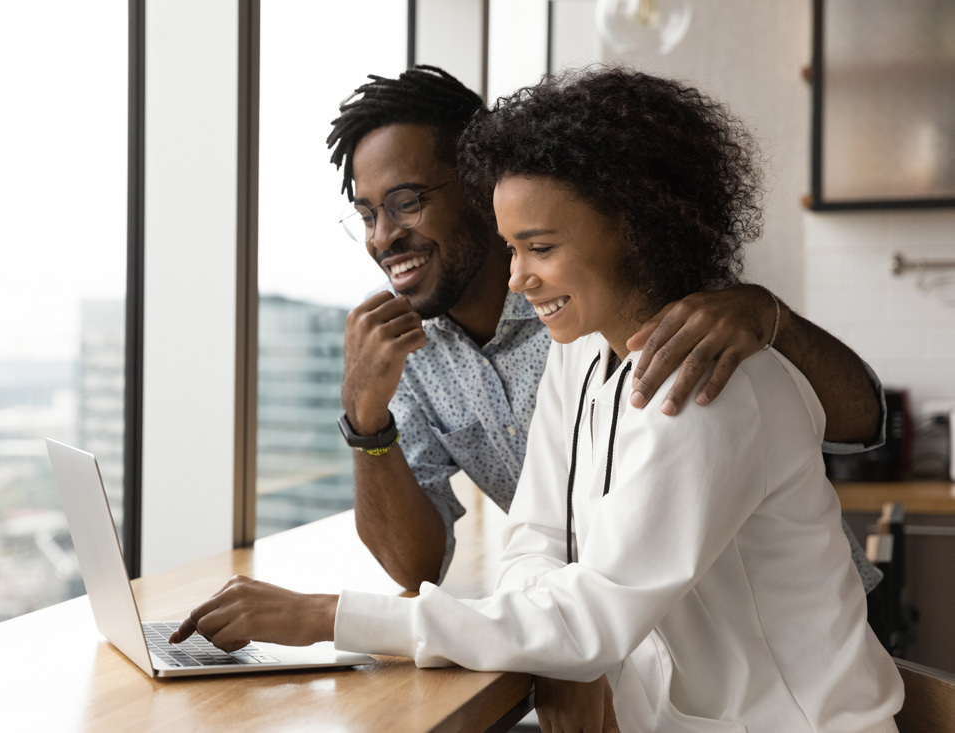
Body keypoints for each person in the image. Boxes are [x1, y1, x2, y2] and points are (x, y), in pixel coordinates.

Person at [172, 67, 903, 731]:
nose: (520, 278)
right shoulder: (582, 354)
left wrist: (325, 615)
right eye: (512, 247)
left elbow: (596, 613)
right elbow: (538, 537)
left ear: (635, 229)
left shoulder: (706, 377)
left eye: (540, 247)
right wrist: (565, 653)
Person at [325, 65, 885, 603]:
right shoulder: (411, 356)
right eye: (367, 214)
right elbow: (421, 565)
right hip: (625, 649)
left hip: (785, 633)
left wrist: (770, 316)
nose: (383, 237)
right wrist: (364, 419)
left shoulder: (613, 297)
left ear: (480, 184)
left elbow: (863, 424)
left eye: (406, 203)